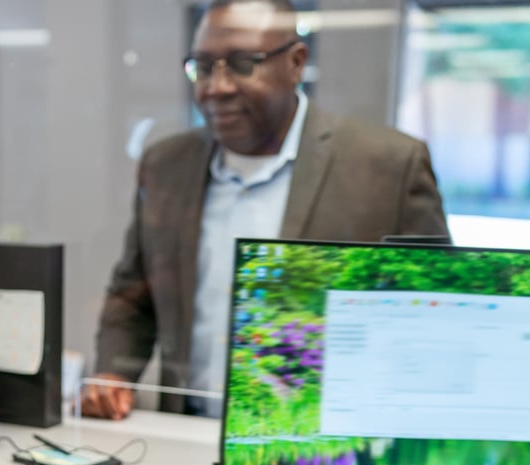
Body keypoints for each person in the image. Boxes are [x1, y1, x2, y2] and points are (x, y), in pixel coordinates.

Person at [84, 0, 449, 420]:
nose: (216, 86)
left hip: (326, 453)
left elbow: (431, 316)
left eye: (242, 64)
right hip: (186, 441)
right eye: (203, 67)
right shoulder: (166, 166)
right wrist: (113, 371)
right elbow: (134, 294)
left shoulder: (388, 167)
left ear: (296, 63)